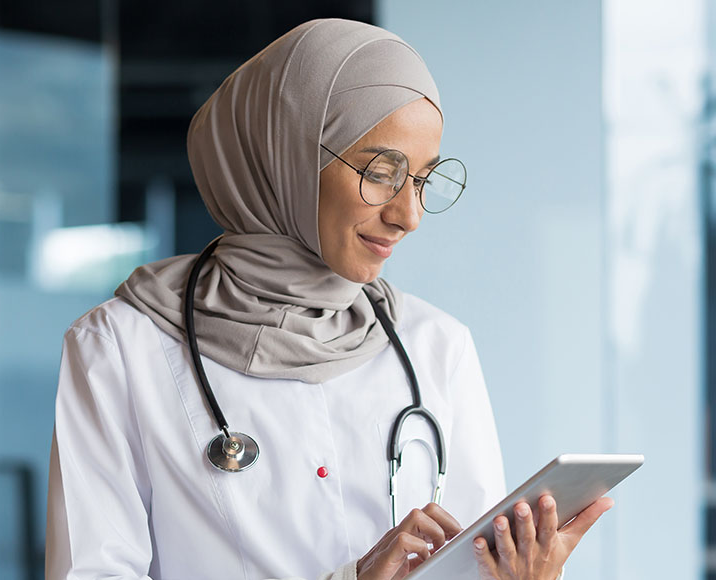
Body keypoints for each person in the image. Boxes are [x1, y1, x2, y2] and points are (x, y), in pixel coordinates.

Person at [45, 18, 612, 580]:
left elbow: (466, 570)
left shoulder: (437, 346)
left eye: (422, 179)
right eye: (381, 171)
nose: (408, 215)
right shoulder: (119, 350)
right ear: (284, 156)